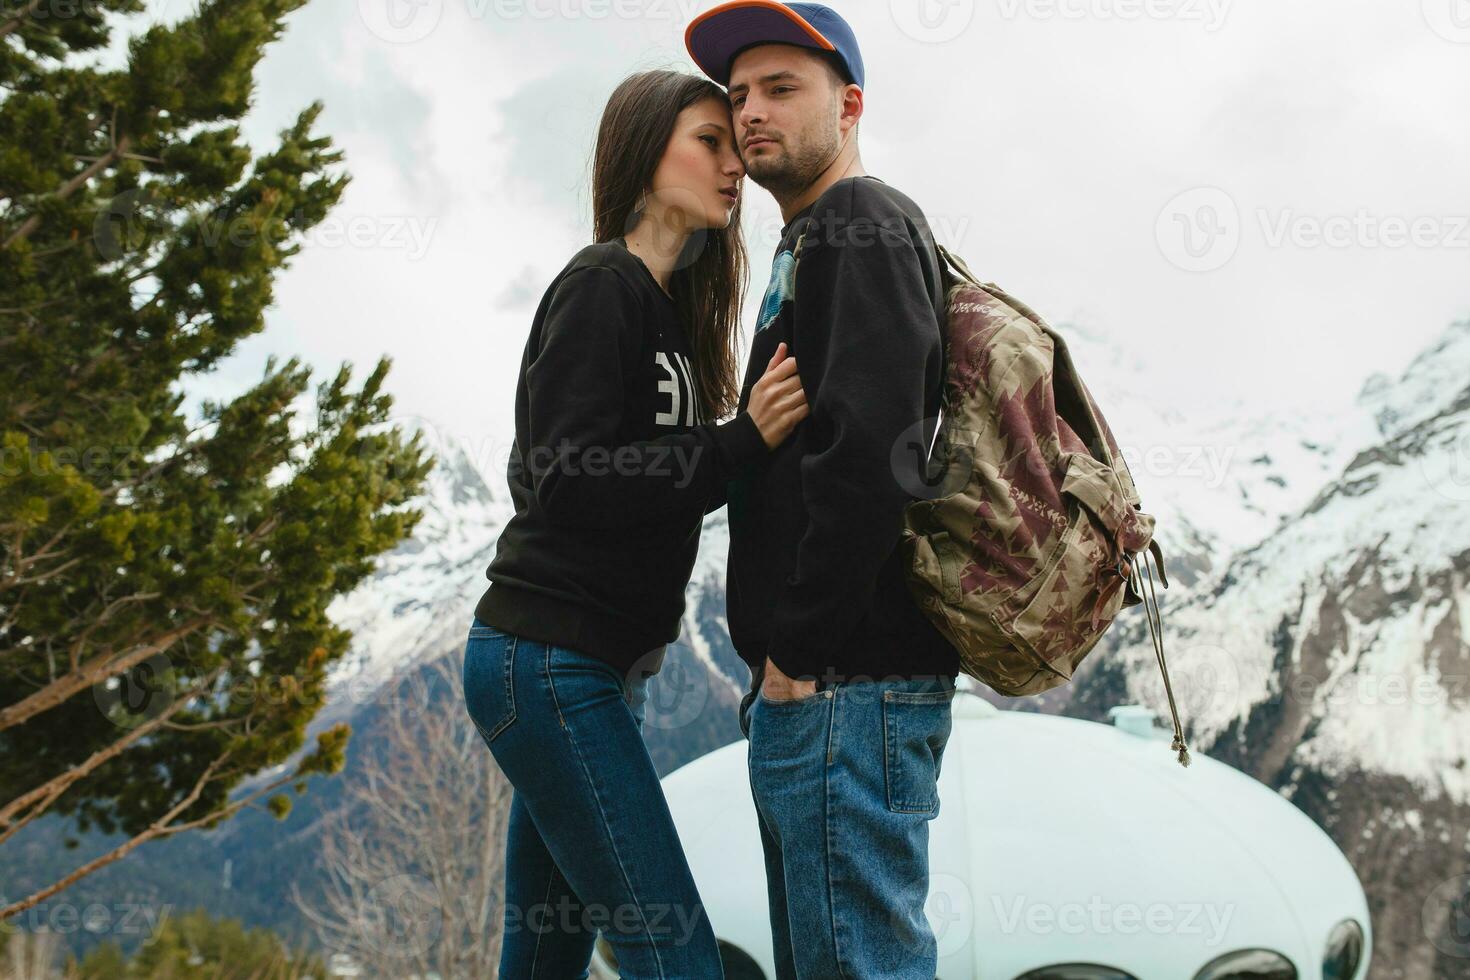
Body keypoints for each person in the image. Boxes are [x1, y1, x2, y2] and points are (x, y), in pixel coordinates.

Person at [462, 68, 809, 979]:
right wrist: (738, 442)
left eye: (738, 147)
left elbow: (609, 476)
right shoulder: (601, 285)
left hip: (588, 670)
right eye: (710, 141)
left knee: (544, 955)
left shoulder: (667, 317)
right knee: (676, 956)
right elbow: (563, 479)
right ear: (643, 149)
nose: (734, 165)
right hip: (547, 661)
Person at [685, 3, 962, 977]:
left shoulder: (861, 222)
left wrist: (795, 657)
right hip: (827, 690)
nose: (751, 110)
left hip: (847, 687)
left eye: (780, 88)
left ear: (849, 104)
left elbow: (874, 455)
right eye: (739, 93)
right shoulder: (812, 240)